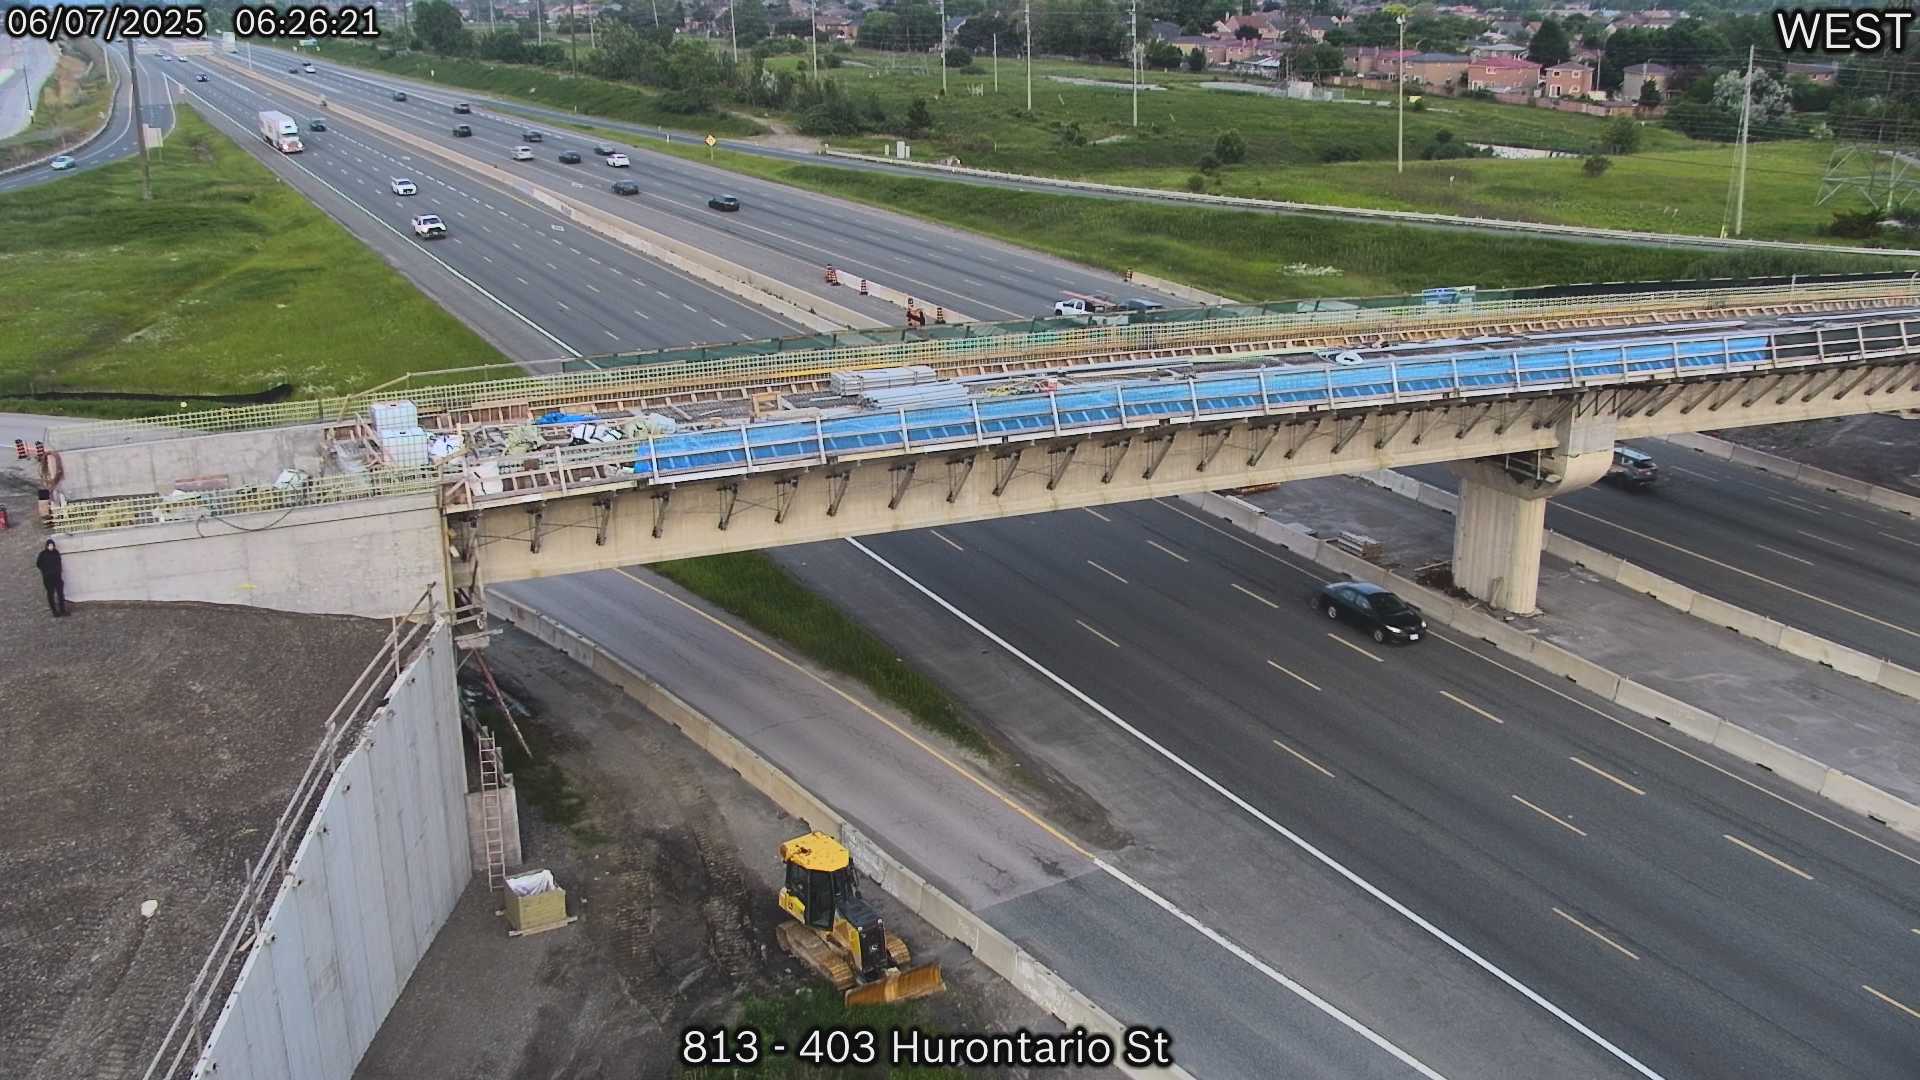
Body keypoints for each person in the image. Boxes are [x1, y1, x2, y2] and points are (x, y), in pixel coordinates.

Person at [36, 539, 66, 617]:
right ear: (47, 546)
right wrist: (45, 571)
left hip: (57, 577)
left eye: (52, 545)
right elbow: (38, 564)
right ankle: (54, 611)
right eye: (49, 545)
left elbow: (59, 562)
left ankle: (62, 609)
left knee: (60, 594)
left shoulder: (56, 552)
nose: (51, 547)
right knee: (50, 594)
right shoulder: (42, 554)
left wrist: (59, 570)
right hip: (48, 578)